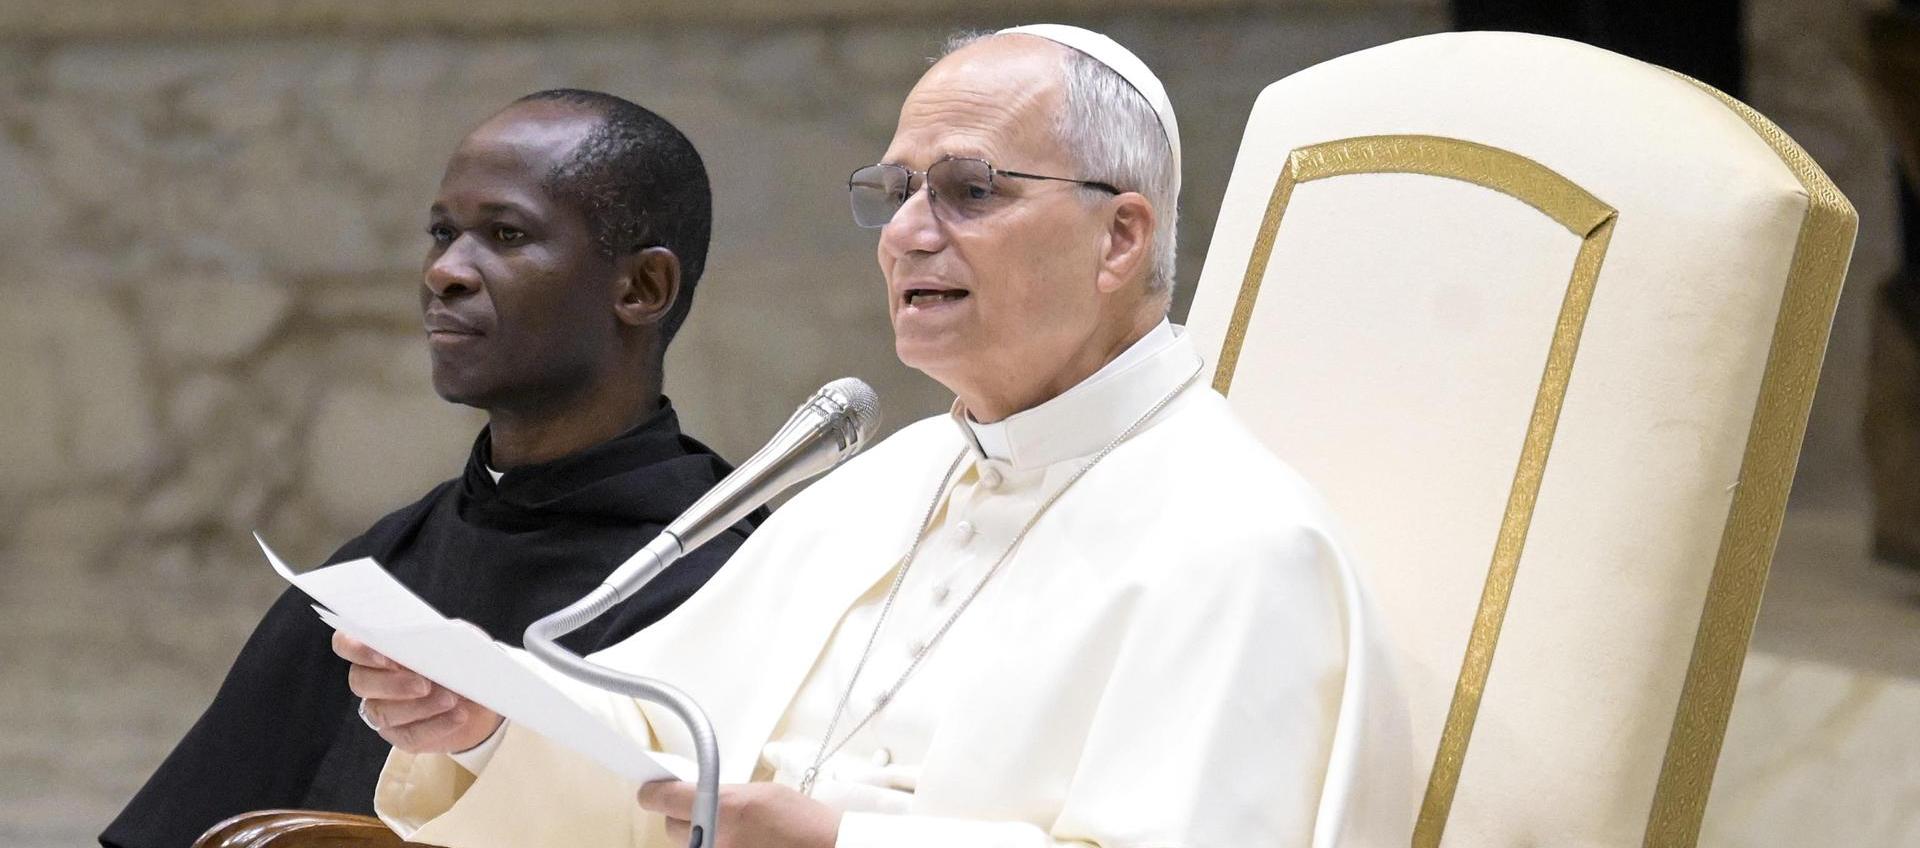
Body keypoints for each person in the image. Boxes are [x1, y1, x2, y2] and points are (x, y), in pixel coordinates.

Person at [349, 27, 1375, 847]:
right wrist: (486, 726)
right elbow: (662, 738)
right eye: (894, 193)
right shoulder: (880, 485)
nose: (908, 231)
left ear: (1120, 237)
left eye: (970, 190)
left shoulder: (1241, 542)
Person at [101, 89, 762, 848]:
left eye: (506, 234)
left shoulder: (736, 579)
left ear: (641, 288)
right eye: (443, 233)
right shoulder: (384, 567)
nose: (446, 270)